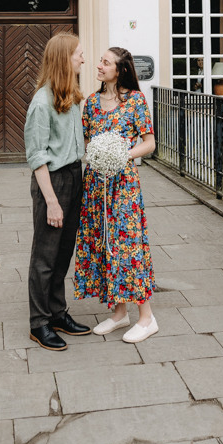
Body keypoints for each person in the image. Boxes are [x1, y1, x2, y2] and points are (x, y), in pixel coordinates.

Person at [74, 47, 158, 343]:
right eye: (99, 61)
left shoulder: (135, 101)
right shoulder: (92, 103)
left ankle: (146, 318)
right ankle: (120, 313)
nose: (98, 65)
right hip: (96, 185)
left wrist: (122, 154)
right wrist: (94, 154)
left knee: (129, 246)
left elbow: (149, 143)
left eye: (105, 62)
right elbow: (86, 142)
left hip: (123, 187)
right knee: (106, 243)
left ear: (120, 70)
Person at [24, 32, 91, 351]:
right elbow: (36, 156)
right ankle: (39, 323)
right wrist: (51, 202)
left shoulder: (71, 95)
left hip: (74, 176)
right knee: (45, 255)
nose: (83, 58)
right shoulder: (42, 102)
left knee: (64, 250)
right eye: (78, 53)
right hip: (52, 181)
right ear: (64, 58)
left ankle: (57, 312)